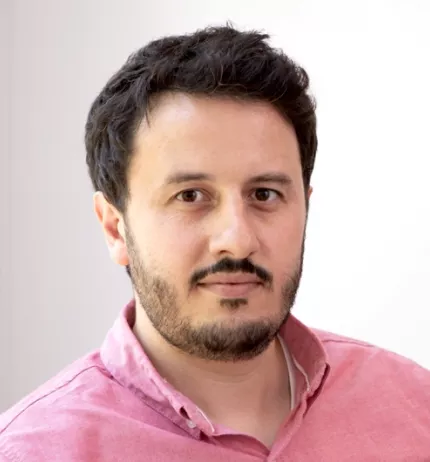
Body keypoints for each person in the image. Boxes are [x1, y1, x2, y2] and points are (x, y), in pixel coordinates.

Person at [0, 24, 429, 462]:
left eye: (265, 194)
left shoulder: (415, 406)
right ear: (115, 228)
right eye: (190, 196)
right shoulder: (33, 451)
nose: (237, 241)